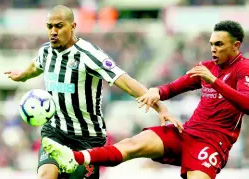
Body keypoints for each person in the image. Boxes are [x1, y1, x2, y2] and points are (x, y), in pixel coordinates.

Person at [42, 20, 249, 179]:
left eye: (219, 44)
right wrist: (156, 92)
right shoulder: (207, 67)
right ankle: (75, 158)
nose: (213, 48)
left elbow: (246, 104)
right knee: (133, 144)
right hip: (186, 132)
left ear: (236, 46)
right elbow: (173, 87)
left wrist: (213, 81)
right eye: (211, 44)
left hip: (212, 144)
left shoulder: (243, 69)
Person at [4, 5, 181, 179]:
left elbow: (126, 82)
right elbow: (37, 65)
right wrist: (23, 75)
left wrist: (160, 107)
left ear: (72, 27)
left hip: (87, 138)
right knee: (46, 175)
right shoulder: (46, 51)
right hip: (55, 131)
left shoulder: (89, 55)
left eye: (59, 26)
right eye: (49, 27)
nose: (53, 32)